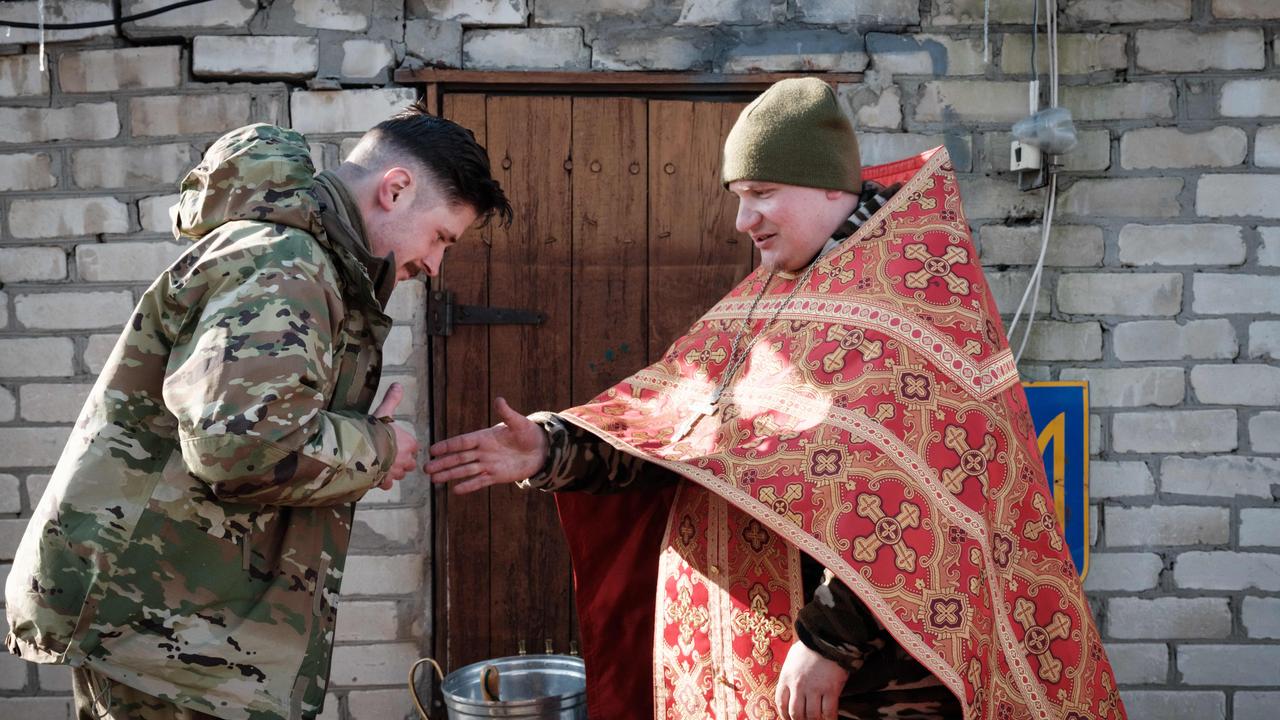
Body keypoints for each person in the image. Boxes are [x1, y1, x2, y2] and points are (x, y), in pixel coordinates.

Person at [428, 78, 1125, 720]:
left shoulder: (911, 302)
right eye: (738, 194)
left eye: (760, 191)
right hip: (765, 660)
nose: (742, 219)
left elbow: (922, 495)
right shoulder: (771, 295)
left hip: (882, 686)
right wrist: (550, 447)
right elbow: (676, 427)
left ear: (827, 188)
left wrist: (831, 642)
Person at [5, 102, 511, 720]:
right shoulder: (285, 264)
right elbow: (241, 448)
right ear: (396, 189)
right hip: (164, 640)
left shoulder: (302, 261)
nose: (435, 266)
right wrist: (379, 449)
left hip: (181, 629)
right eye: (441, 238)